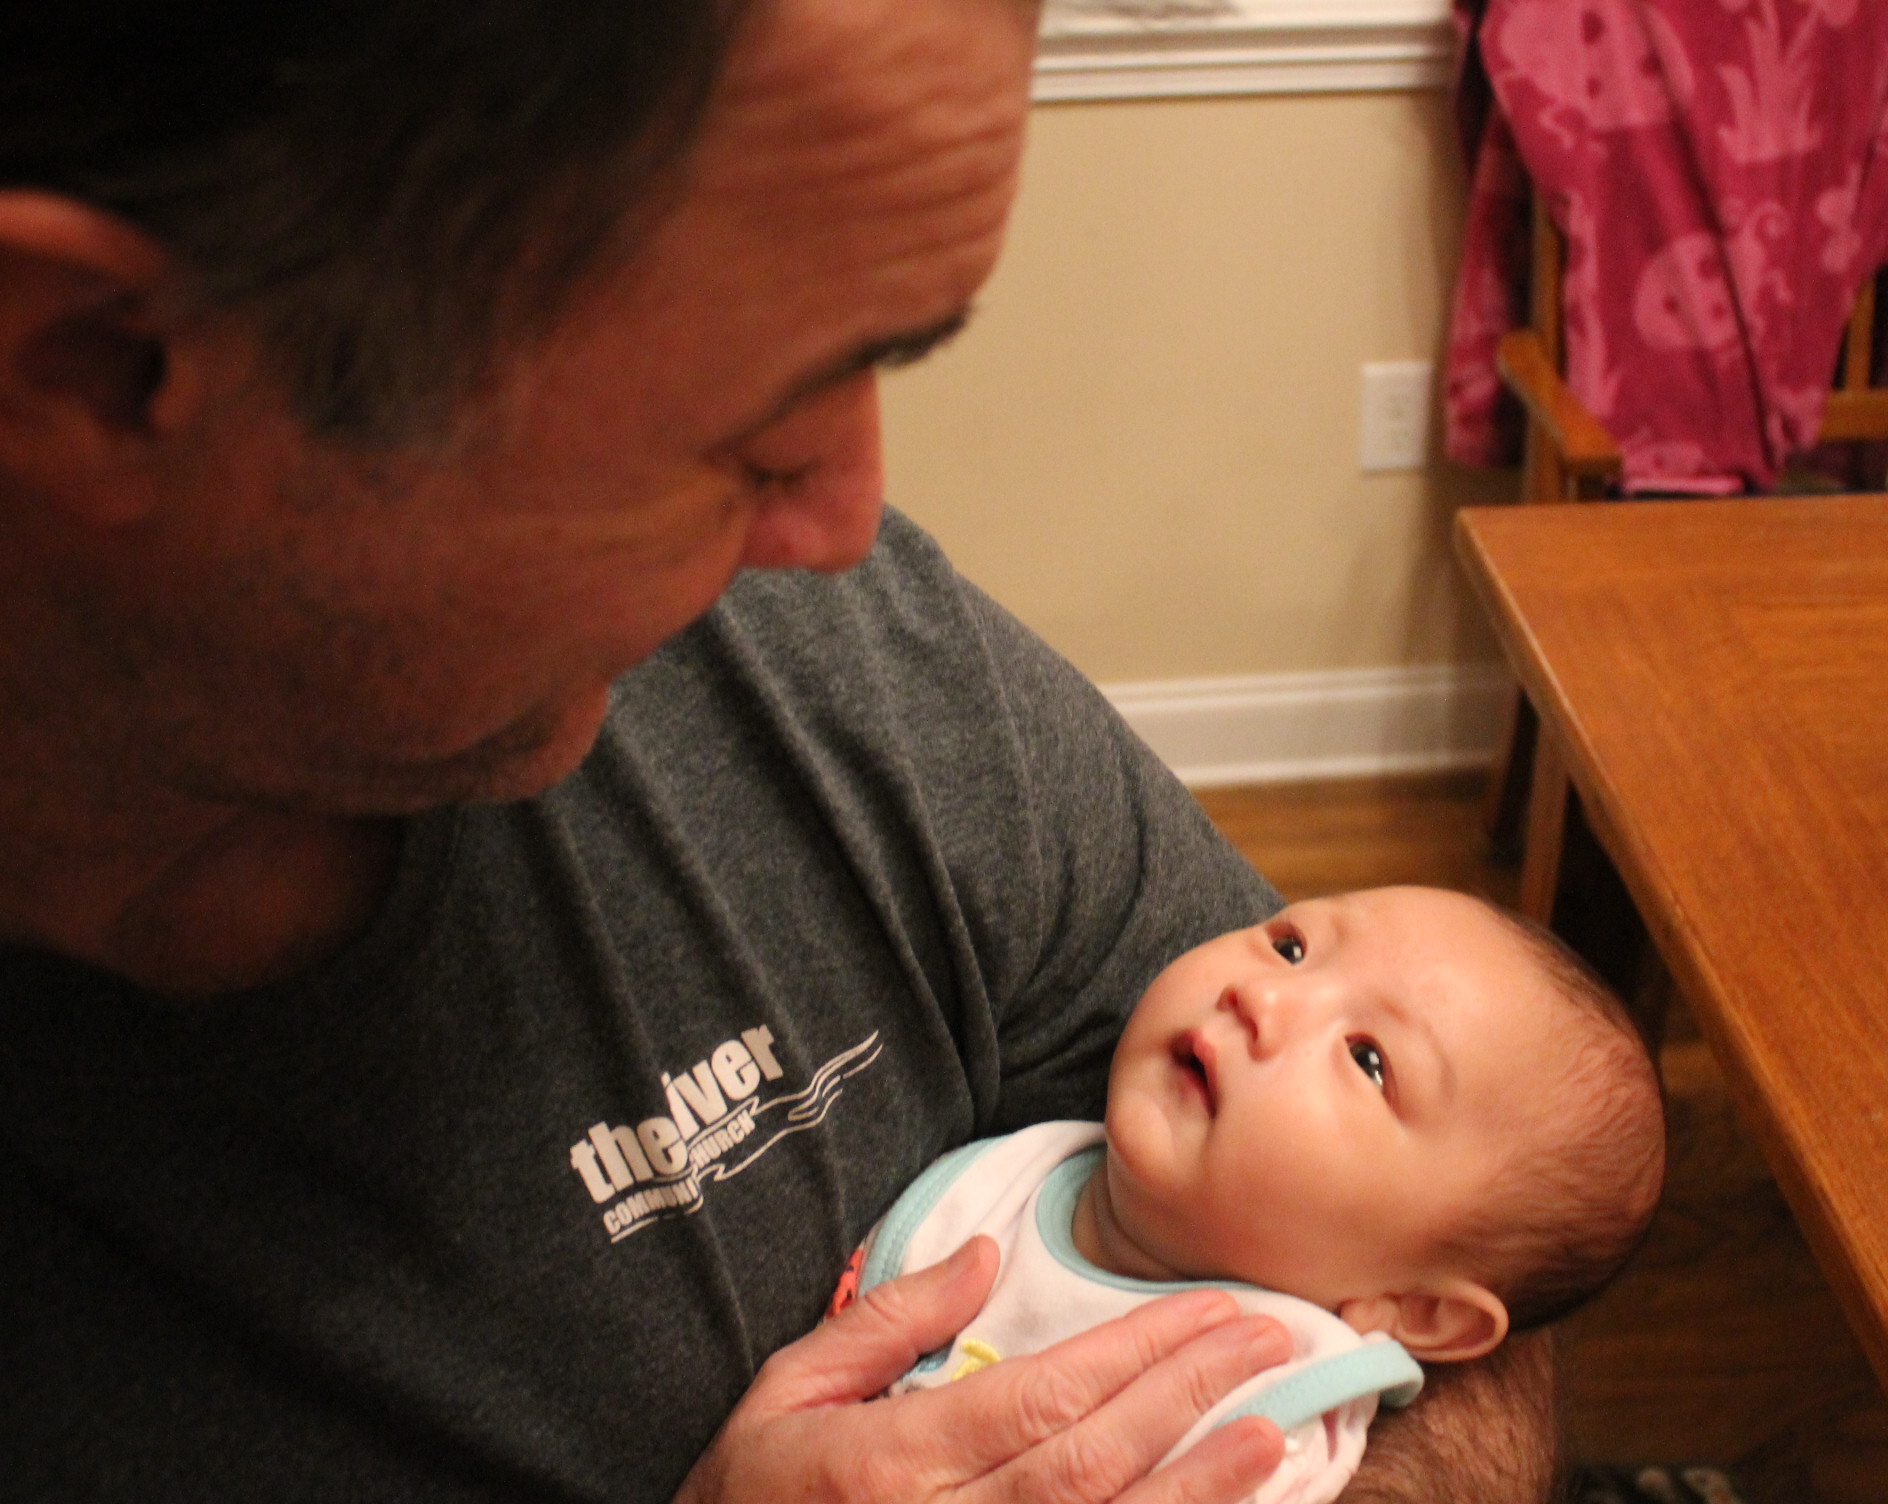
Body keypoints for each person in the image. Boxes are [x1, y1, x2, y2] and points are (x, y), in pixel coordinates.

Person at [0, 3, 1562, 1501]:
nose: (844, 529)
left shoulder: (837, 667)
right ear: (87, 369)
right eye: (743, 426)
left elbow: (1460, 1244)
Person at [837, 886, 1666, 1504]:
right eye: (1292, 947)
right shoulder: (998, 1186)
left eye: (1368, 1060)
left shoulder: (1271, 1435)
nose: (1260, 996)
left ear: (1417, 1309)